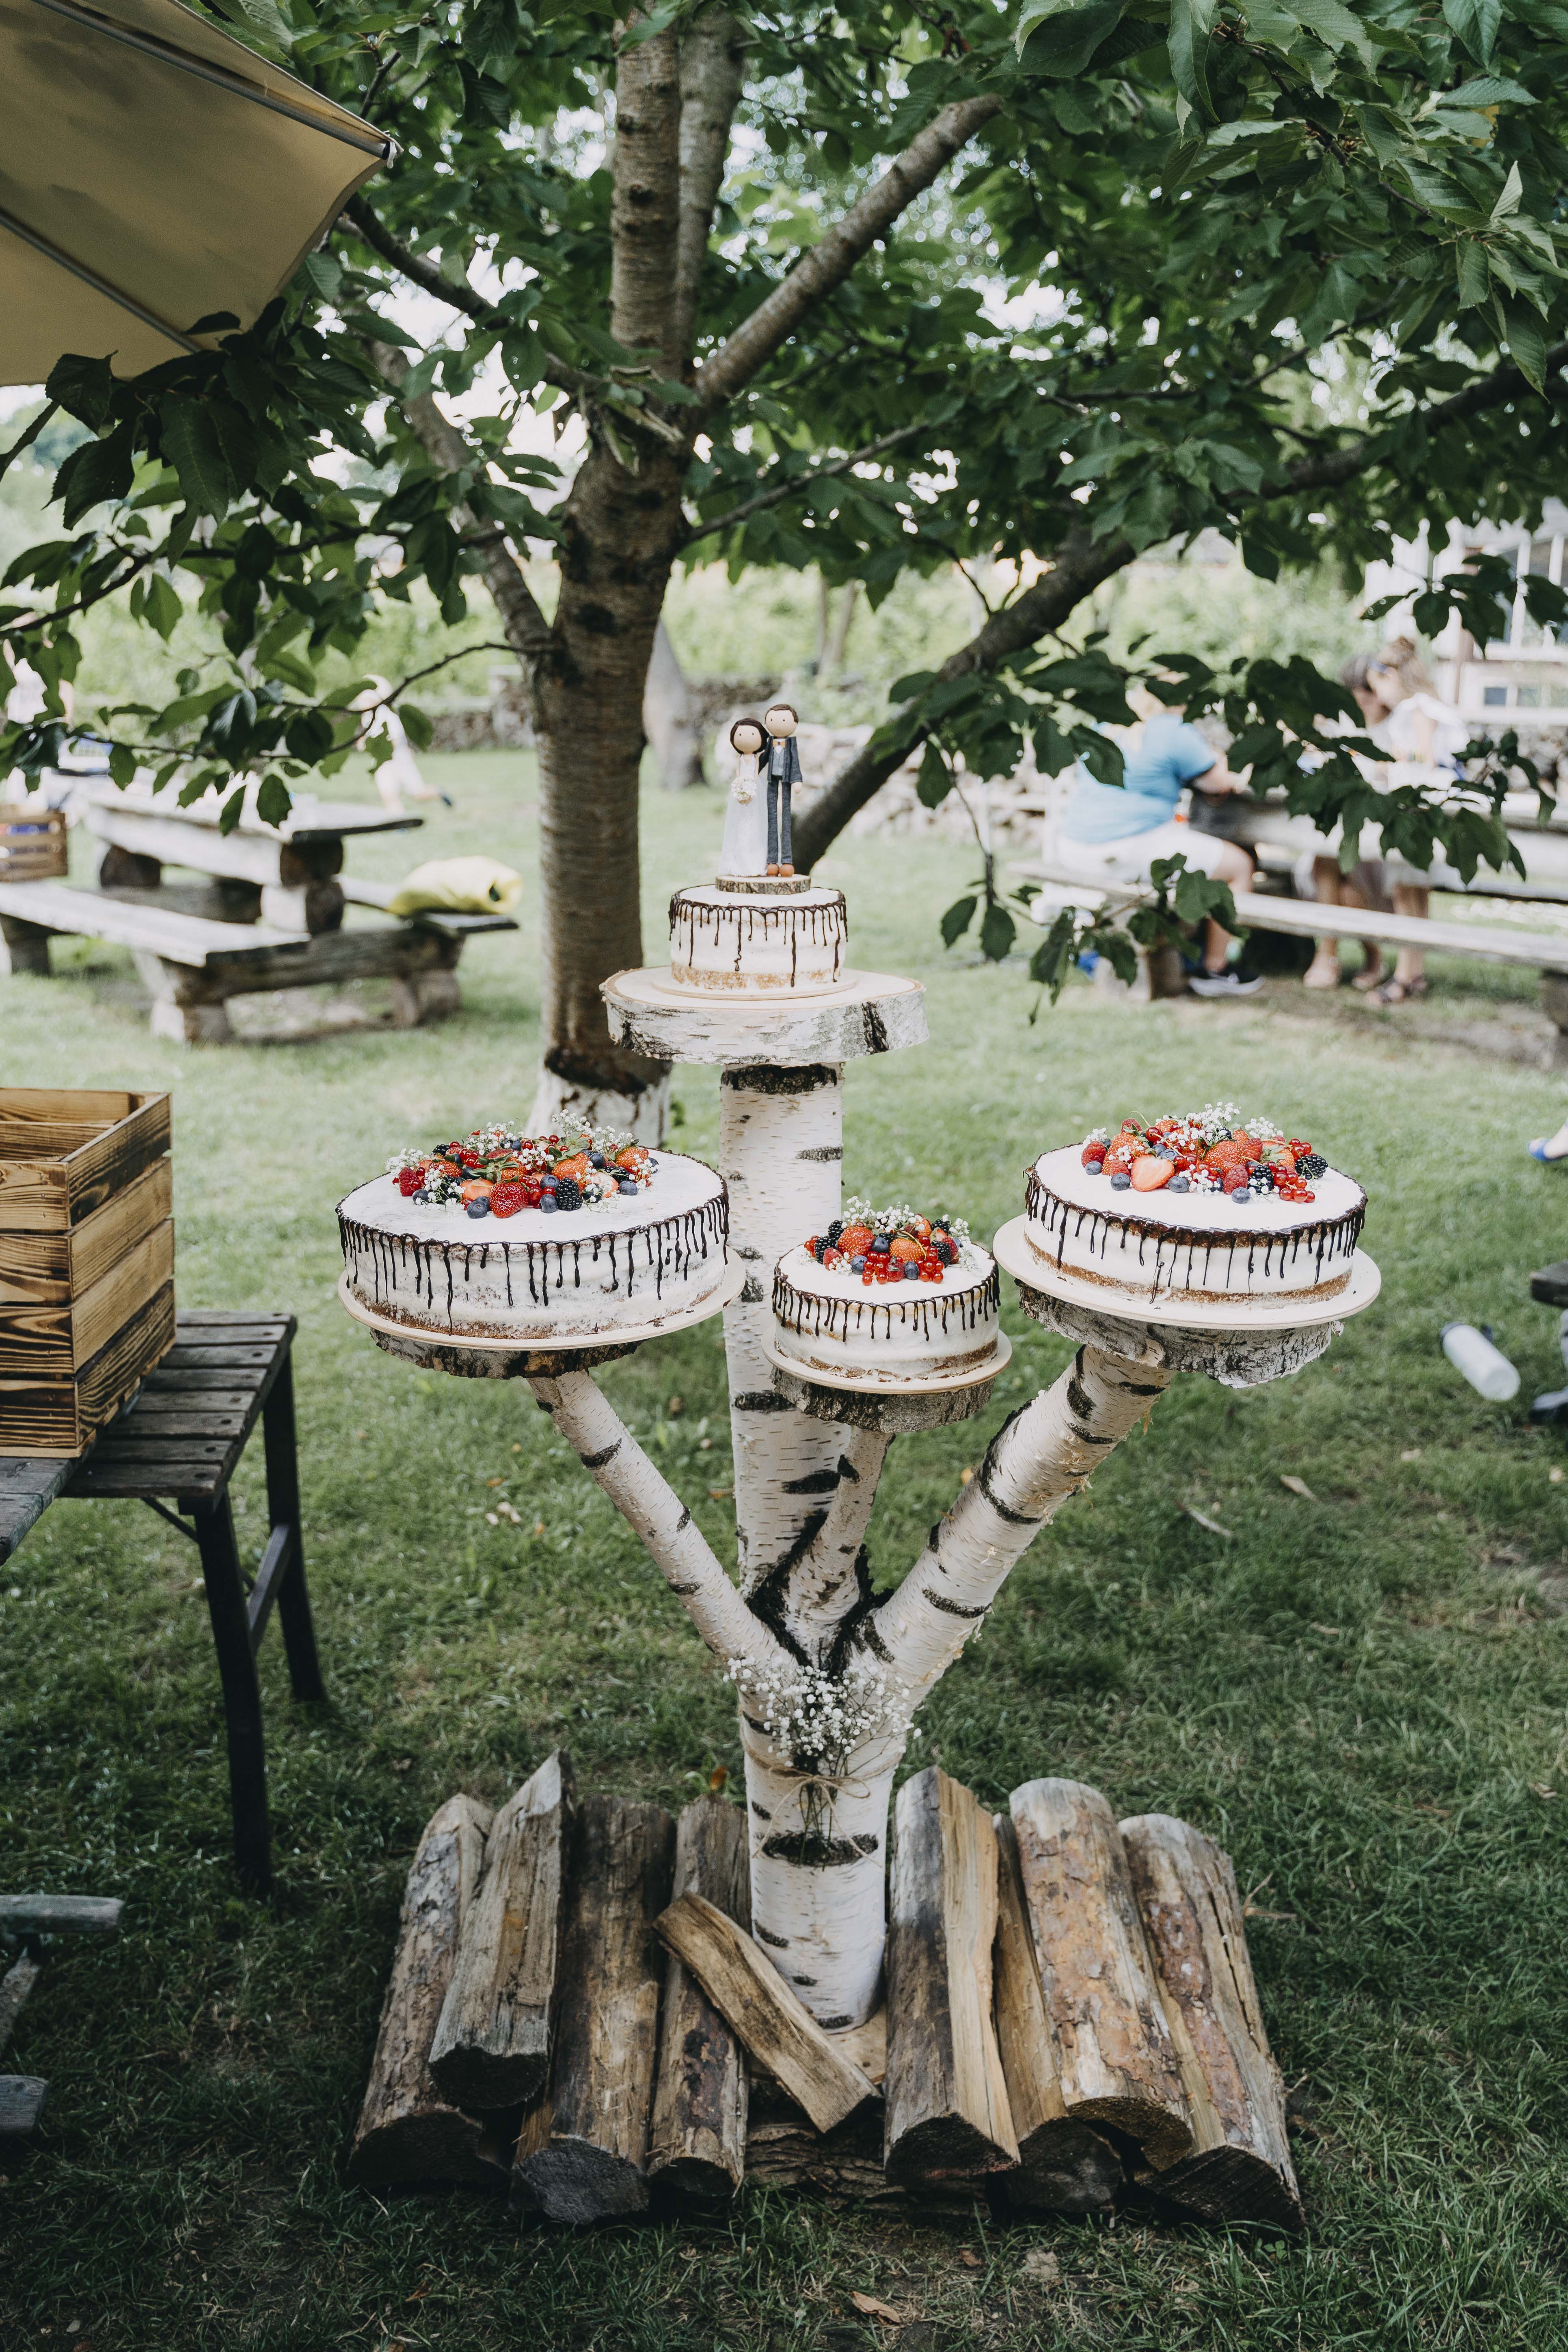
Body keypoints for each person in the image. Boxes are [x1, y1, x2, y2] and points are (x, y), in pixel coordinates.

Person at [1053, 674, 1261, 996]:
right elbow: (1220, 782)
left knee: (1195, 859)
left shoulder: (1107, 724)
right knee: (1239, 867)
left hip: (1074, 846)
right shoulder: (1172, 729)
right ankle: (1217, 968)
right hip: (1129, 847)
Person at [1361, 638, 1466, 1006]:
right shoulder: (1423, 707)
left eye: (1379, 689)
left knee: (1407, 889)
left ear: (1392, 679)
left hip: (1419, 808)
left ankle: (1405, 975)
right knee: (1412, 891)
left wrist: (1391, 761)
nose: (1381, 699)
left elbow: (1426, 758)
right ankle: (1414, 971)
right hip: (1421, 805)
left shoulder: (1418, 708)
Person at [1302, 653, 1393, 992]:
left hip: (1381, 847)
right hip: (1342, 838)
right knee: (1330, 860)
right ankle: (1354, 956)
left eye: (1368, 694)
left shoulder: (1400, 726)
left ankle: (1331, 956)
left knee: (1342, 870)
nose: (1362, 702)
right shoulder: (1342, 726)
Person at [718, 716, 769, 877]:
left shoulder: (755, 758)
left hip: (754, 787)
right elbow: (739, 771)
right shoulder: (740, 758)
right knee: (739, 822)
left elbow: (755, 772)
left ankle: (755, 861)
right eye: (740, 736)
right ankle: (738, 861)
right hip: (741, 785)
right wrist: (740, 782)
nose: (746, 739)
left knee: (755, 820)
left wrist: (752, 783)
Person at [762, 702, 802, 875]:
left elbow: (795, 763)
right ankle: (771, 860)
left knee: (786, 818)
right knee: (771, 817)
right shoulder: (770, 742)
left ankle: (786, 860)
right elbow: (764, 759)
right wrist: (753, 772)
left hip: (786, 782)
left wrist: (797, 780)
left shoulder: (792, 744)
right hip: (772, 781)